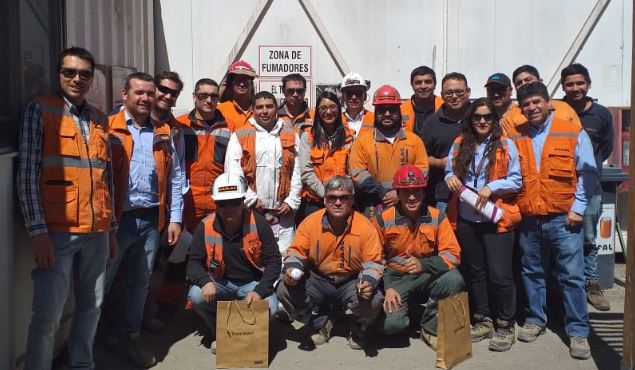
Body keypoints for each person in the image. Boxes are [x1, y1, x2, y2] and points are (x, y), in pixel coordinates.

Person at [17, 46, 117, 370]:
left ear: (91, 79)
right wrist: (38, 232)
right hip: (57, 233)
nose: (77, 79)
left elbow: (107, 179)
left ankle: (82, 365)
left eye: (84, 74)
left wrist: (111, 229)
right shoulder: (40, 110)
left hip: (97, 233)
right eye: (69, 72)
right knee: (47, 316)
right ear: (59, 74)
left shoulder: (100, 119)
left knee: (92, 307)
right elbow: (28, 173)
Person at [508, 82, 599, 360]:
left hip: (564, 218)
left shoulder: (571, 130)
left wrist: (578, 208)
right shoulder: (516, 135)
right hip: (530, 218)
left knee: (571, 276)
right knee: (532, 272)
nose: (532, 107)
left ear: (548, 103)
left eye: (537, 101)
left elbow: (588, 172)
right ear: (521, 109)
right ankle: (536, 319)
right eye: (526, 104)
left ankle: (578, 331)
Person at [105, 72, 183, 368]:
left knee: (139, 283)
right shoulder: (108, 127)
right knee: (105, 281)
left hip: (151, 218)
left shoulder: (163, 131)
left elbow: (175, 177)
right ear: (124, 95)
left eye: (150, 93)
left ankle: (129, 338)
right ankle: (98, 339)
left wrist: (174, 218)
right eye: (139, 92)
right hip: (117, 220)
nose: (146, 98)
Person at [444, 98, 522, 351]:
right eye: (477, 116)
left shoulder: (505, 144)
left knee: (500, 274)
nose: (482, 121)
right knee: (475, 272)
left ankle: (505, 323)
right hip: (467, 218)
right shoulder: (459, 144)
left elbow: (517, 180)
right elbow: (448, 171)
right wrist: (450, 179)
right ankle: (483, 318)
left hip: (496, 218)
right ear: (470, 119)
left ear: (494, 119)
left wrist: (492, 186)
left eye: (488, 116)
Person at [276, 176, 384, 350]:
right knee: (283, 289)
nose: (338, 202)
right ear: (324, 200)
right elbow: (297, 251)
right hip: (319, 279)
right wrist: (291, 269)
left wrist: (369, 282)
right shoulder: (310, 222)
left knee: (374, 299)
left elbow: (374, 261)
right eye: (332, 197)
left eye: (344, 197)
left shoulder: (365, 226)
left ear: (352, 199)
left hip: (351, 281)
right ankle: (320, 322)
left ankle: (358, 327)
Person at [187, 172, 281, 354]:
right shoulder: (204, 226)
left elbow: (274, 262)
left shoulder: (259, 224)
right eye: (222, 204)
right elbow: (193, 262)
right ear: (215, 204)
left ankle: (248, 336)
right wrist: (205, 281)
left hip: (251, 283)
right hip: (219, 282)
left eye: (235, 203)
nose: (229, 208)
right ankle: (223, 334)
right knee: (196, 295)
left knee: (270, 307)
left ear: (243, 201)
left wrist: (259, 291)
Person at [376, 165, 464, 351]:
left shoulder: (437, 216)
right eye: (406, 192)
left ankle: (430, 328)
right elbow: (374, 258)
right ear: (397, 194)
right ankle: (410, 312)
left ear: (424, 193)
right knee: (393, 326)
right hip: (396, 279)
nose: (412, 197)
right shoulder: (383, 219)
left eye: (417, 191)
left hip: (425, 275)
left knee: (454, 278)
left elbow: (453, 254)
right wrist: (387, 287)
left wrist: (424, 264)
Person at [561, 63, 614, 311]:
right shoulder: (556, 110)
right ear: (563, 87)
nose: (575, 88)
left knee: (589, 237)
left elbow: (606, 148)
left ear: (588, 84)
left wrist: (588, 172)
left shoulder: (601, 114)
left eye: (580, 83)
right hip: (560, 186)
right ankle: (564, 289)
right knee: (562, 238)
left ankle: (591, 283)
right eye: (570, 84)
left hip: (590, 188)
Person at [225, 91, 302, 254]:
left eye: (269, 106)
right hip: (253, 210)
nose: (265, 111)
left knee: (283, 256)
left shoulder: (290, 133)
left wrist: (291, 201)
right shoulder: (240, 135)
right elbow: (233, 172)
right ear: (253, 110)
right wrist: (251, 199)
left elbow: (297, 170)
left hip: (283, 212)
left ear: (276, 109)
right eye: (260, 107)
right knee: (254, 253)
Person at [349, 84, 429, 221]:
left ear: (399, 111)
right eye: (382, 110)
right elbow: (358, 174)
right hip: (373, 206)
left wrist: (400, 193)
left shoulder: (414, 140)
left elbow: (423, 171)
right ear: (375, 112)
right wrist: (383, 192)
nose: (387, 114)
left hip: (407, 205)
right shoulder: (363, 142)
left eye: (392, 110)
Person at [416, 72, 471, 210]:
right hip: (444, 196)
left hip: (477, 192)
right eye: (449, 93)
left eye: (459, 92)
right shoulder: (431, 124)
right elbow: (420, 157)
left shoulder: (480, 117)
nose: (454, 96)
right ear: (442, 94)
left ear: (468, 92)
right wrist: (441, 163)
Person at [299, 91, 354, 217]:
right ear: (317, 111)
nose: (328, 112)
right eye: (323, 108)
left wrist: (342, 195)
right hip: (316, 202)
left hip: (343, 202)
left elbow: (352, 171)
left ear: (339, 110)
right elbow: (306, 172)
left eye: (332, 107)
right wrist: (326, 195)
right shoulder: (308, 136)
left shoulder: (350, 137)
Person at [500, 65, 581, 134]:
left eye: (528, 80)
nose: (524, 84)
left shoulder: (565, 109)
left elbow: (579, 140)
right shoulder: (510, 117)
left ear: (540, 81)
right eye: (519, 83)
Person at [400, 65, 444, 134]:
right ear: (412, 85)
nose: (423, 86)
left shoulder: (445, 107)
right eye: (418, 83)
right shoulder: (401, 110)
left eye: (428, 82)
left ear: (435, 84)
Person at [218, 60, 257, 131]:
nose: (241, 84)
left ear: (251, 83)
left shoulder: (261, 109)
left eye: (245, 80)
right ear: (231, 83)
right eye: (238, 80)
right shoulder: (219, 110)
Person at [340, 72, 374, 138]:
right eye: (349, 93)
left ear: (365, 96)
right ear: (343, 97)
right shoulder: (336, 120)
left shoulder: (375, 119)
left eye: (358, 93)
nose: (354, 97)